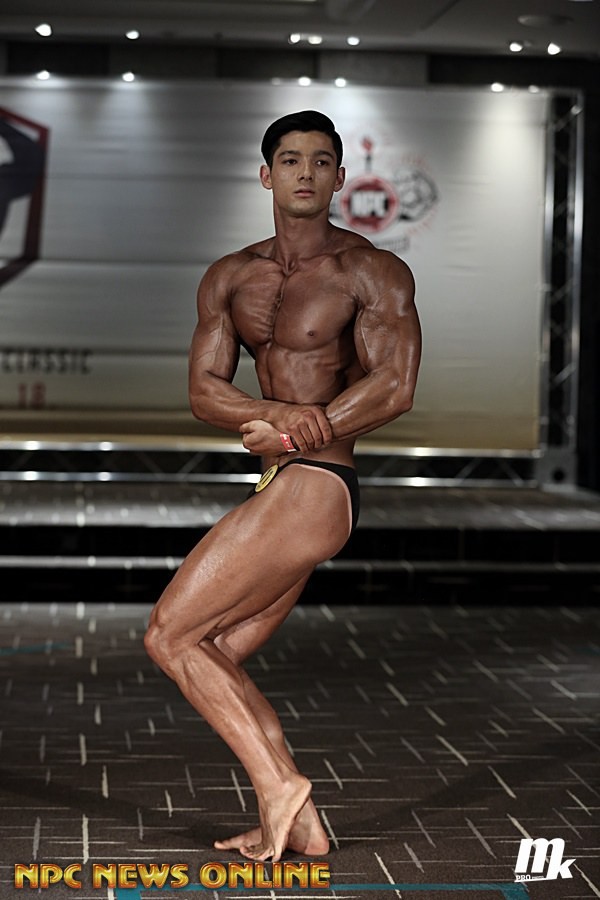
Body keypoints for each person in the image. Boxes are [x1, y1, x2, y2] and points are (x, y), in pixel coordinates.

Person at [144, 109, 421, 863]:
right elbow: (204, 391)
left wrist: (297, 435)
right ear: (267, 175)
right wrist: (272, 417)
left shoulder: (370, 271)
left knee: (169, 634)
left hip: (319, 482)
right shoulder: (230, 276)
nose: (306, 172)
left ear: (339, 177)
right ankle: (303, 824)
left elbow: (394, 387)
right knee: (212, 649)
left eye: (322, 161)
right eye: (291, 160)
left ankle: (279, 786)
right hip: (279, 480)